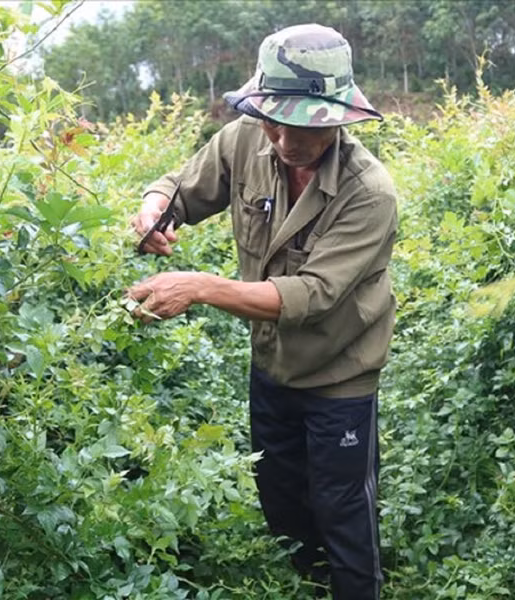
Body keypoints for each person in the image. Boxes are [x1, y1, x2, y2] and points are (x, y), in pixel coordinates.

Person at [128, 23, 396, 600]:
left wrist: (198, 286)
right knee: (281, 497)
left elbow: (311, 294)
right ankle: (308, 585)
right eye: (270, 117)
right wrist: (154, 212)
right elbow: (181, 187)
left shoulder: (369, 192)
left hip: (339, 375)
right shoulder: (247, 139)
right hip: (271, 366)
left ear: (334, 118)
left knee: (342, 509)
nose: (279, 136)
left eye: (297, 123)